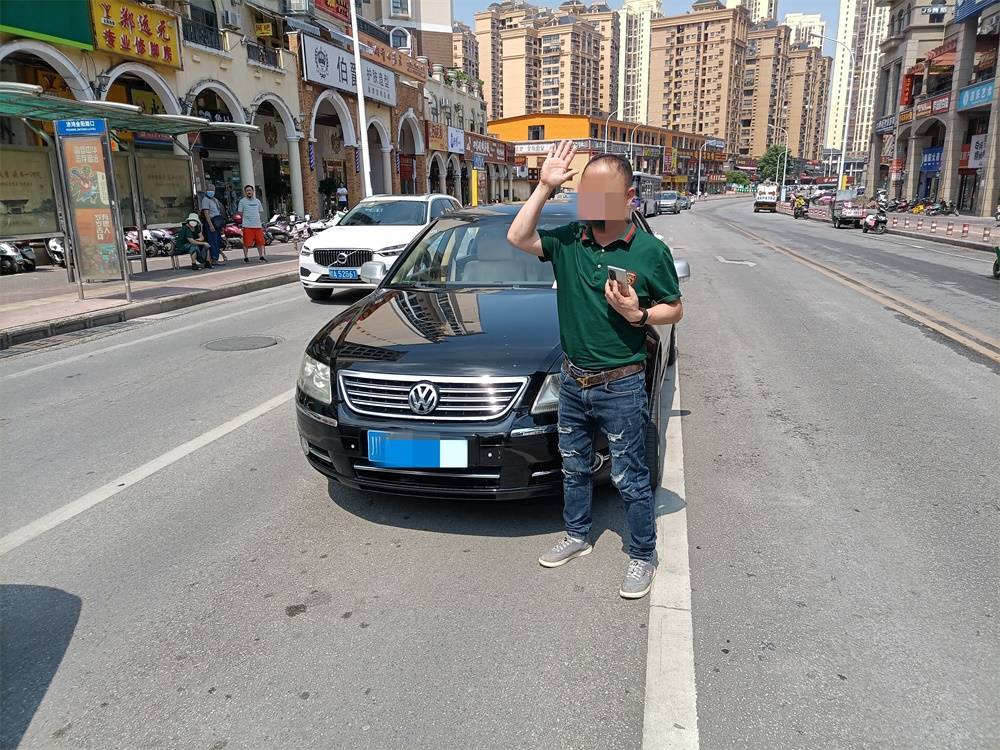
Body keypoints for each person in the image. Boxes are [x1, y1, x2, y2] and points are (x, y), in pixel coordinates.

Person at [507, 141, 684, 600]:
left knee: (630, 476)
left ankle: (642, 555)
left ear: (629, 198)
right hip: (572, 380)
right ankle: (577, 535)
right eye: (587, 193)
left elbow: (675, 307)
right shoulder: (569, 239)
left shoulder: (649, 251)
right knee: (574, 466)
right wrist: (544, 187)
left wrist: (639, 315)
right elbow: (518, 237)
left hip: (621, 384)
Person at [237, 184, 267, 263]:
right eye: (247, 191)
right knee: (247, 242)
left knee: (260, 242)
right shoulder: (242, 201)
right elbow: (240, 212)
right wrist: (247, 218)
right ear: (245, 192)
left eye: (250, 190)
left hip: (257, 225)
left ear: (253, 191)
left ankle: (261, 256)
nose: (249, 192)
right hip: (247, 226)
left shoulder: (257, 201)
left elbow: (260, 211)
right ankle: (246, 257)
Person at [200, 184, 226, 266]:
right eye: (209, 189)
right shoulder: (205, 200)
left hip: (217, 222)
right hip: (211, 222)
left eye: (212, 189)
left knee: (218, 241)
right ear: (206, 190)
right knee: (213, 241)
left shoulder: (215, 199)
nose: (211, 191)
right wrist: (210, 225)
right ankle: (214, 259)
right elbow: (206, 213)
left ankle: (215, 258)